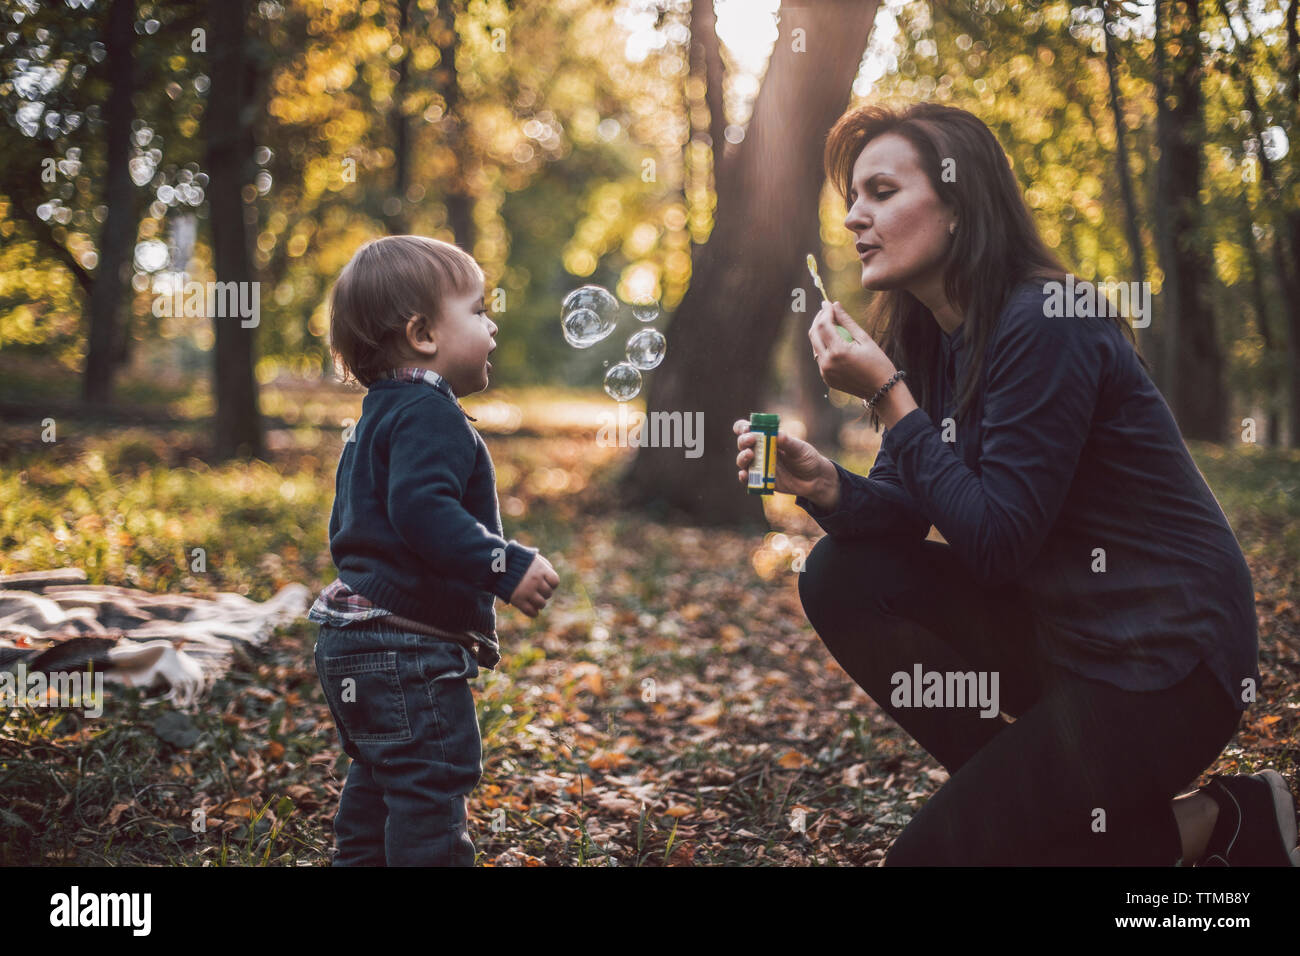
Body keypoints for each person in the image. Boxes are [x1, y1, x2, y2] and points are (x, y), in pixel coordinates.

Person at [735, 102, 1297, 866]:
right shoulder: (926, 338)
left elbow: (997, 543)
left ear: (961, 206)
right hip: (1061, 639)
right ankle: (1204, 823)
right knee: (840, 574)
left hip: (1163, 666)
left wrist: (888, 396)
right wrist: (825, 483)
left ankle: (1147, 822)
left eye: (882, 192)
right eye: (852, 201)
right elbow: (905, 517)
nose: (855, 219)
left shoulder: (1044, 322)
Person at [309, 235, 559, 866]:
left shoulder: (378, 414)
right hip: (406, 654)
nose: (493, 323)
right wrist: (506, 564)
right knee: (429, 790)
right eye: (478, 310)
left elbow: (368, 524)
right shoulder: (430, 413)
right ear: (423, 334)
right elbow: (424, 514)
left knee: (377, 789)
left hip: (351, 648)